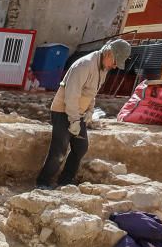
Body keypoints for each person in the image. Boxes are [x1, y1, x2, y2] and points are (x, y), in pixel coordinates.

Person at [35, 39, 131, 190]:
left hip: (77, 113)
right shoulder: (85, 65)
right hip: (63, 111)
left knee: (81, 147)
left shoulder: (103, 69)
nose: (114, 66)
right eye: (114, 61)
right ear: (108, 53)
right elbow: (71, 96)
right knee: (59, 151)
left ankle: (65, 180)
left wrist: (90, 111)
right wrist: (73, 120)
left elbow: (92, 93)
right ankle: (43, 182)